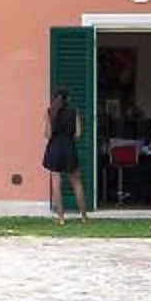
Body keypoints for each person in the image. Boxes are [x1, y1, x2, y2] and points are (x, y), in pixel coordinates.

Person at [42, 87, 88, 222]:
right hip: (69, 148)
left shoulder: (50, 112)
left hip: (54, 148)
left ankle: (61, 218)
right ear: (68, 99)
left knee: (56, 183)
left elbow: (47, 134)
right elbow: (78, 134)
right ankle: (83, 216)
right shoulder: (74, 112)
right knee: (76, 182)